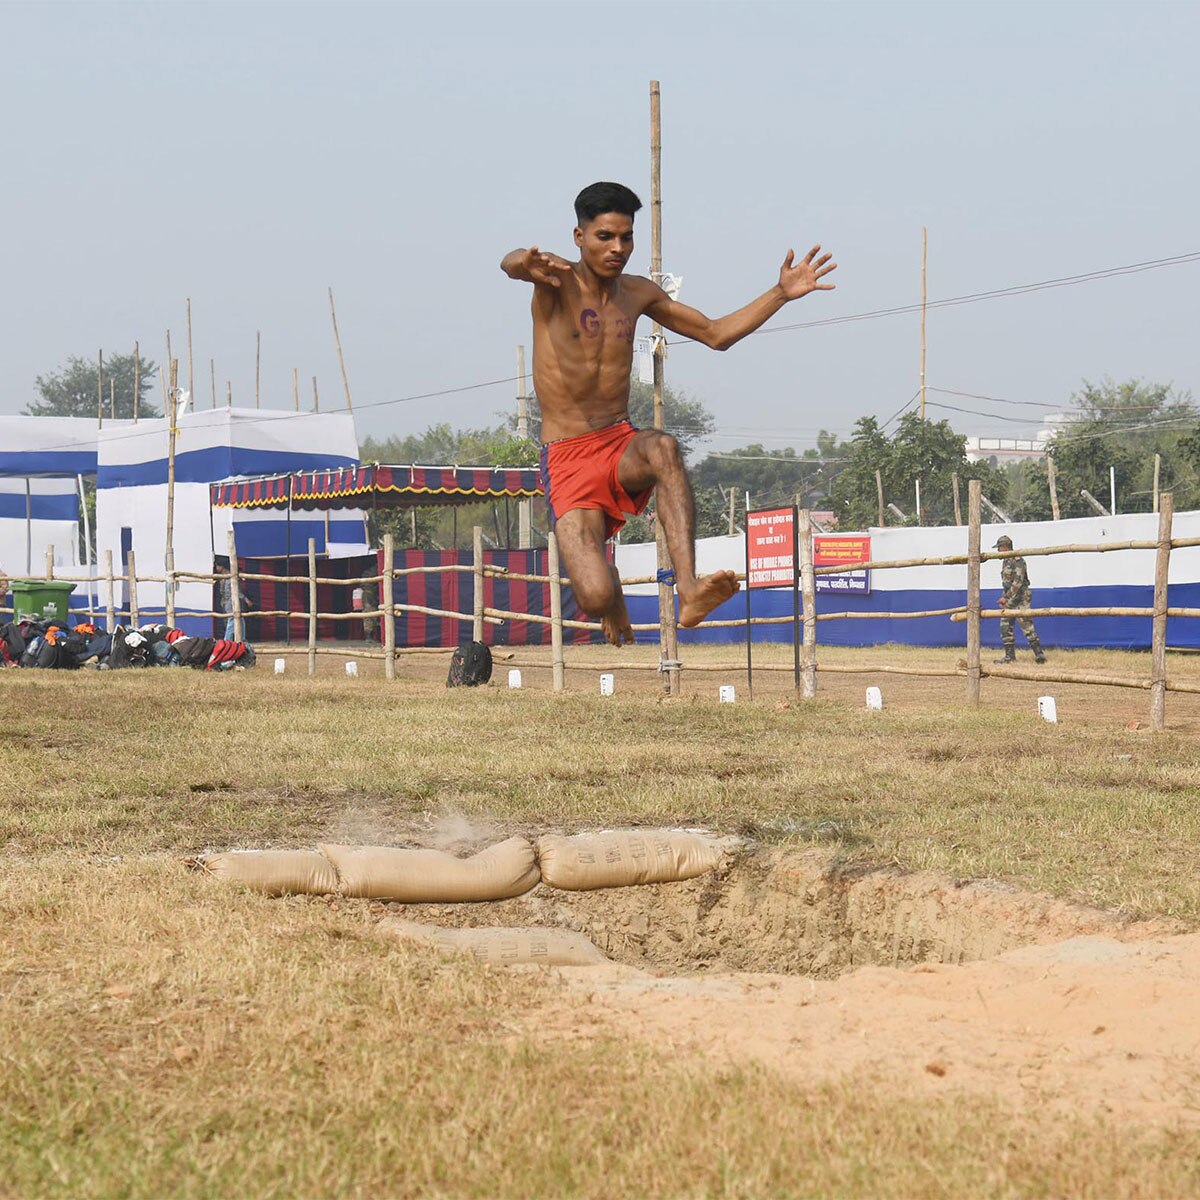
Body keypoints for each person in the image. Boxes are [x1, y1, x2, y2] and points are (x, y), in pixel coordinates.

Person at [501, 181, 836, 647]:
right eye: (604, 237)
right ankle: (611, 590)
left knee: (663, 447)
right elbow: (511, 263)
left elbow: (716, 334)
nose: (617, 248)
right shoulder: (554, 283)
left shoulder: (638, 293)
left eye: (626, 237)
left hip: (617, 442)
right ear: (579, 237)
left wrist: (779, 293)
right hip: (567, 456)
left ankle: (690, 589)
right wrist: (524, 260)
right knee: (594, 596)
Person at [993, 535, 1047, 664]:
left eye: (999, 547)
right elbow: (1007, 584)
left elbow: (1018, 583)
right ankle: (1009, 656)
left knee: (1026, 625)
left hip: (1021, 597)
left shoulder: (1018, 561)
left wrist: (1005, 598)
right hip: (1010, 598)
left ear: (1005, 547)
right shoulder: (1006, 561)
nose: (998, 551)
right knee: (1005, 627)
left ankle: (1039, 655)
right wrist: (1005, 597)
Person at [215, 562, 250, 642]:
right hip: (231, 603)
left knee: (240, 621)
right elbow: (236, 592)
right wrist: (246, 599)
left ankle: (242, 639)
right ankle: (227, 640)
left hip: (229, 603)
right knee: (232, 621)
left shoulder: (227, 579)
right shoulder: (231, 580)